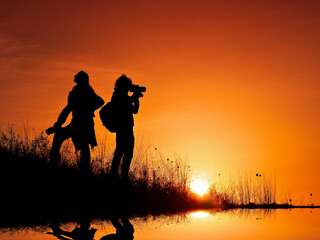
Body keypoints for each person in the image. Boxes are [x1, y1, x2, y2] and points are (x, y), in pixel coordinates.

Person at [47, 71, 104, 177]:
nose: (75, 77)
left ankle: (83, 171)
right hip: (78, 122)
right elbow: (68, 108)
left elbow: (101, 101)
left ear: (81, 79)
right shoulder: (80, 90)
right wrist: (58, 124)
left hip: (83, 123)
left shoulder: (84, 90)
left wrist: (89, 109)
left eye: (77, 76)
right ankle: (55, 162)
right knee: (80, 144)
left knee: (83, 145)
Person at [110, 75, 143, 181]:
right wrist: (134, 96)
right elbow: (127, 104)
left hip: (127, 128)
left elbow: (135, 110)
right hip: (123, 128)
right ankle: (117, 175)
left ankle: (121, 175)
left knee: (126, 153)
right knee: (121, 152)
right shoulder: (118, 96)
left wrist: (136, 98)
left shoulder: (122, 96)